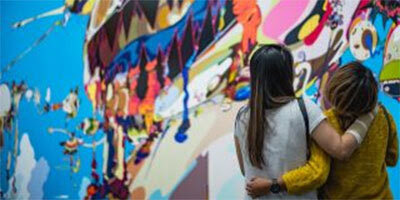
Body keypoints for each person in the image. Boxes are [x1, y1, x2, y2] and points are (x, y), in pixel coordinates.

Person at [234, 44, 377, 199]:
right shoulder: (303, 109)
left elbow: (244, 170)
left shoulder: (242, 117)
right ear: (287, 74)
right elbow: (341, 149)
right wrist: (369, 115)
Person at [262, 62, 398, 199]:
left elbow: (317, 174)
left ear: (334, 89)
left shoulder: (325, 123)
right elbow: (392, 158)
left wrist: (275, 184)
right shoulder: (383, 116)